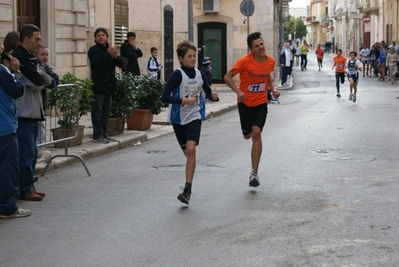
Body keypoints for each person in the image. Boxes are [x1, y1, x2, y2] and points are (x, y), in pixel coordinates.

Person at [161, 40, 219, 205]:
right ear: (181, 58)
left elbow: (207, 91)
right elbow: (164, 96)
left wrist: (214, 96)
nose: (193, 59)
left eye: (194, 56)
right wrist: (183, 101)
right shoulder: (177, 74)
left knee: (191, 150)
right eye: (189, 56)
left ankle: (187, 189)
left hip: (194, 116)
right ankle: (188, 183)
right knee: (188, 154)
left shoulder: (200, 74)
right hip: (178, 119)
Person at [224, 32, 280, 188]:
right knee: (247, 135)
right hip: (245, 104)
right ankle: (253, 170)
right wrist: (238, 91)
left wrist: (273, 89)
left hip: (261, 103)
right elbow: (227, 76)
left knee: (257, 132)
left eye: (261, 44)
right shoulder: (244, 61)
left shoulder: (270, 61)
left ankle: (254, 173)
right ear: (251, 50)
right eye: (257, 46)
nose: (261, 48)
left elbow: (267, 75)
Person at [12, 24, 53, 201]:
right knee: (26, 154)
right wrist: (42, 77)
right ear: (26, 39)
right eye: (37, 39)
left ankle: (28, 186)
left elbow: (51, 80)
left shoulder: (30, 57)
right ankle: (24, 188)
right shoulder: (18, 57)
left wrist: (42, 76)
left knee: (33, 153)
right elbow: (36, 83)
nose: (39, 42)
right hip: (24, 113)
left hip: (34, 113)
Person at [0, 54, 32, 218]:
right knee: (8, 168)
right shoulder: (2, 70)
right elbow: (17, 90)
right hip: (4, 128)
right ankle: (7, 207)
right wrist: (16, 71)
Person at [88, 28, 124, 144]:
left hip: (109, 86)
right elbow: (96, 63)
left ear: (107, 37)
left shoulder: (110, 50)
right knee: (97, 111)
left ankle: (104, 133)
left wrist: (115, 56)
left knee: (106, 112)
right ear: (95, 38)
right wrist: (108, 55)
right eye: (98, 35)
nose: (101, 37)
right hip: (98, 86)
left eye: (103, 35)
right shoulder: (93, 50)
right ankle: (97, 135)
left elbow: (121, 64)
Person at [35, 45, 60, 149]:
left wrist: (45, 75)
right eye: (42, 54)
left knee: (41, 132)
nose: (45, 57)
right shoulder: (35, 66)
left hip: (41, 106)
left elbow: (55, 81)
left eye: (46, 54)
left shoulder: (45, 67)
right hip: (34, 105)